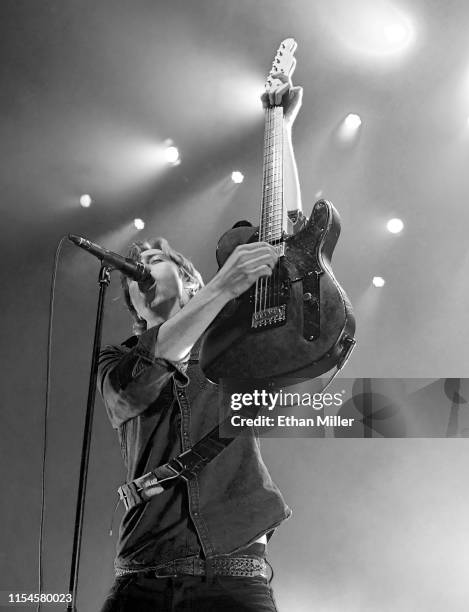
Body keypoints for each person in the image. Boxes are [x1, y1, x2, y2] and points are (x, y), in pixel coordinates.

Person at [98, 73, 304, 612]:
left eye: (155, 263)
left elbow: (288, 242)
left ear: (189, 280)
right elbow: (148, 374)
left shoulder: (235, 338)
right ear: (137, 309)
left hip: (233, 569)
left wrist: (279, 131)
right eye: (135, 274)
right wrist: (220, 286)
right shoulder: (117, 362)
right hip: (144, 569)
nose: (142, 271)